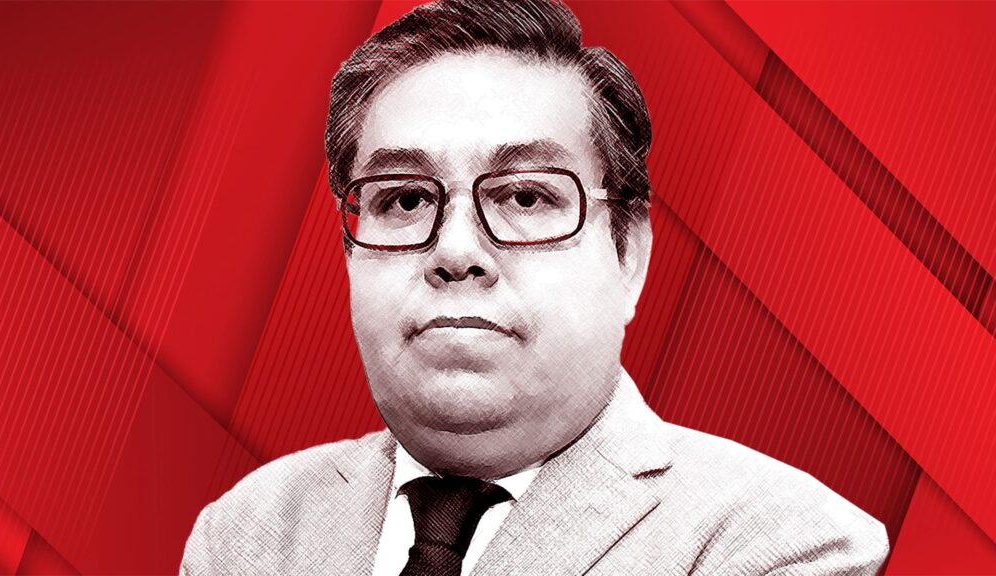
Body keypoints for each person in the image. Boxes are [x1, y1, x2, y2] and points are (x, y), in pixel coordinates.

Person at [181, 0, 889, 574]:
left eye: (524, 196)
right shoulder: (248, 535)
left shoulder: (785, 542)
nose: (456, 251)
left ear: (630, 255)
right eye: (405, 199)